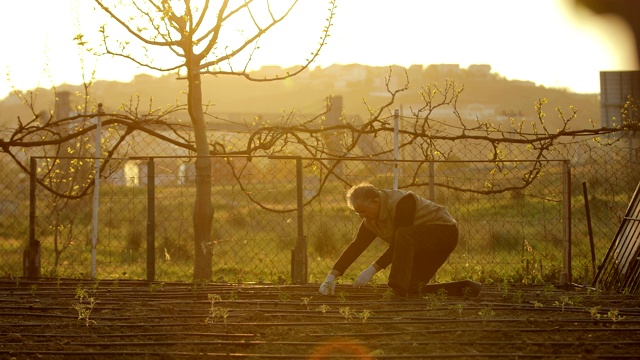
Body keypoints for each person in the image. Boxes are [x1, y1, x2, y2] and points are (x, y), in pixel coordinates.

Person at [319, 182, 481, 298]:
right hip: (419, 243)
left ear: (375, 202)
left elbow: (400, 241)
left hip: (443, 233)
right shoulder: (370, 220)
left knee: (403, 236)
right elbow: (357, 246)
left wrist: (373, 269)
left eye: (363, 210)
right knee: (412, 288)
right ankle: (465, 288)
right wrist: (331, 277)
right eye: (357, 213)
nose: (361, 216)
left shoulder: (402, 202)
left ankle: (395, 290)